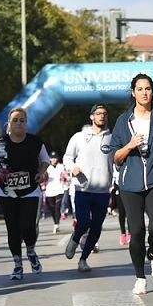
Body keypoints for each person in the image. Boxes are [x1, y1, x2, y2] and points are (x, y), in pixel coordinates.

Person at [109, 74, 153, 295]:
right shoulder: (123, 121)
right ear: (133, 93)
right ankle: (140, 277)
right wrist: (130, 145)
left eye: (148, 88)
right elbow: (115, 157)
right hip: (130, 184)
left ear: (152, 91)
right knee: (137, 231)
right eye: (139, 89)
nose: (144, 93)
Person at [0, 108, 50, 281]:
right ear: (9, 123)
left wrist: (41, 172)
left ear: (26, 123)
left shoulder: (35, 142)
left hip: (30, 191)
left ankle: (30, 250)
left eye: (22, 120)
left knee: (28, 226)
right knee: (13, 230)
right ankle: (17, 264)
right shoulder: (0, 143)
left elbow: (45, 161)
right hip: (7, 193)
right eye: (15, 120)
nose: (19, 123)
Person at [63, 104, 114, 272]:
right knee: (84, 222)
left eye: (105, 114)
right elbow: (68, 157)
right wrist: (72, 169)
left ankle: (83, 259)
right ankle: (76, 237)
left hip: (102, 190)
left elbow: (117, 163)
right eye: (99, 114)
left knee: (97, 226)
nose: (102, 116)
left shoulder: (112, 138)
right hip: (83, 189)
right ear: (92, 116)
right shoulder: (79, 136)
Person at [42, 151, 67, 233]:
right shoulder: (47, 167)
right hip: (50, 191)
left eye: (55, 158)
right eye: (52, 158)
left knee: (57, 207)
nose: (53, 159)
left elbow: (65, 175)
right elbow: (43, 178)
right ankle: (55, 222)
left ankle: (56, 225)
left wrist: (65, 177)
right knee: (52, 209)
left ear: (57, 159)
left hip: (59, 189)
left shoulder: (61, 166)